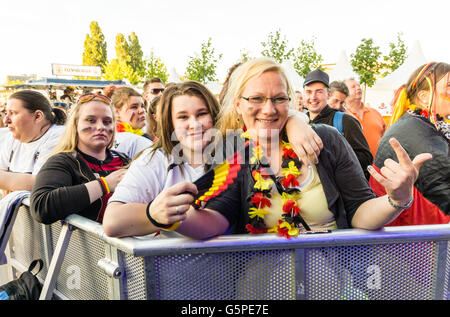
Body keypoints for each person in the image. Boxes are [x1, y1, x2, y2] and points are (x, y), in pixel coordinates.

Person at [104, 58, 430, 240]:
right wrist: (171, 218)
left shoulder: (325, 140)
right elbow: (218, 219)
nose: (269, 109)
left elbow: (361, 213)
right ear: (238, 103)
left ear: (291, 101)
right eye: (257, 99)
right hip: (263, 284)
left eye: (279, 99)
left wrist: (396, 199)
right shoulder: (233, 152)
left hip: (333, 274)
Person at [102, 78, 324, 238]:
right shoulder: (157, 159)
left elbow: (267, 119)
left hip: (232, 282)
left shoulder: (237, 149)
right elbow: (112, 222)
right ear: (169, 123)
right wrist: (153, 214)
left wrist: (296, 121)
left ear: (215, 115)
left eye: (202, 114)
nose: (195, 124)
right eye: (182, 117)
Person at [30, 93, 129, 224]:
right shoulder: (63, 161)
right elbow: (41, 207)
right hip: (91, 244)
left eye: (107, 121)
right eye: (91, 120)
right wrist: (104, 185)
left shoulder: (124, 160)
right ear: (76, 125)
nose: (101, 127)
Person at [370, 62, 450, 224]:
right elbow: (443, 195)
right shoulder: (418, 133)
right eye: (449, 85)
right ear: (424, 96)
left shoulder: (420, 123)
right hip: (417, 241)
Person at [303, 69, 373, 180]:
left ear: (328, 94)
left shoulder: (346, 121)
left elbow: (366, 158)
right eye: (309, 92)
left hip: (339, 192)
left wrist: (333, 162)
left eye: (319, 91)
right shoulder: (300, 121)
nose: (313, 97)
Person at [0, 90, 66, 194]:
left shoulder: (59, 137)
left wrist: (11, 182)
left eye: (13, 113)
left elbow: (41, 183)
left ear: (38, 116)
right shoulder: (12, 137)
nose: (5, 120)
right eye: (5, 113)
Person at [344, 78, 386, 159]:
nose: (358, 88)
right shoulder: (342, 115)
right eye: (353, 87)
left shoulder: (375, 112)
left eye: (358, 85)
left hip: (378, 166)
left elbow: (385, 136)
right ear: (344, 93)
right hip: (354, 168)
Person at [110, 86, 154, 158]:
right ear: (117, 112)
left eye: (142, 106)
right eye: (134, 107)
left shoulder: (146, 136)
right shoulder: (110, 139)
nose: (142, 110)